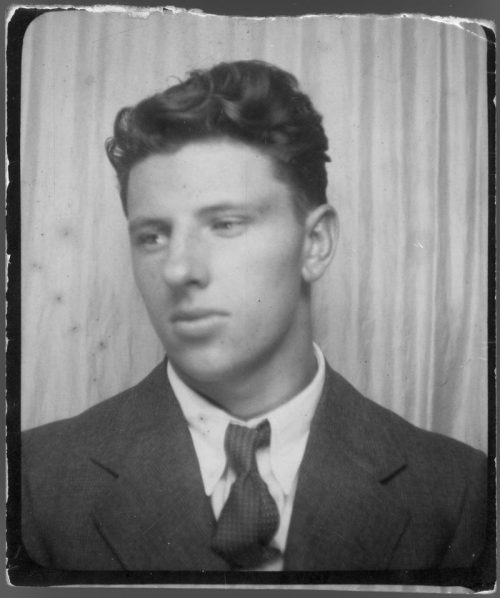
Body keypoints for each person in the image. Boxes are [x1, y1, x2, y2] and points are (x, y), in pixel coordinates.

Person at [21, 60, 487, 572]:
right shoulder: (34, 482)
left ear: (315, 243)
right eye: (152, 236)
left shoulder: (459, 491)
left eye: (225, 224)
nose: (177, 269)